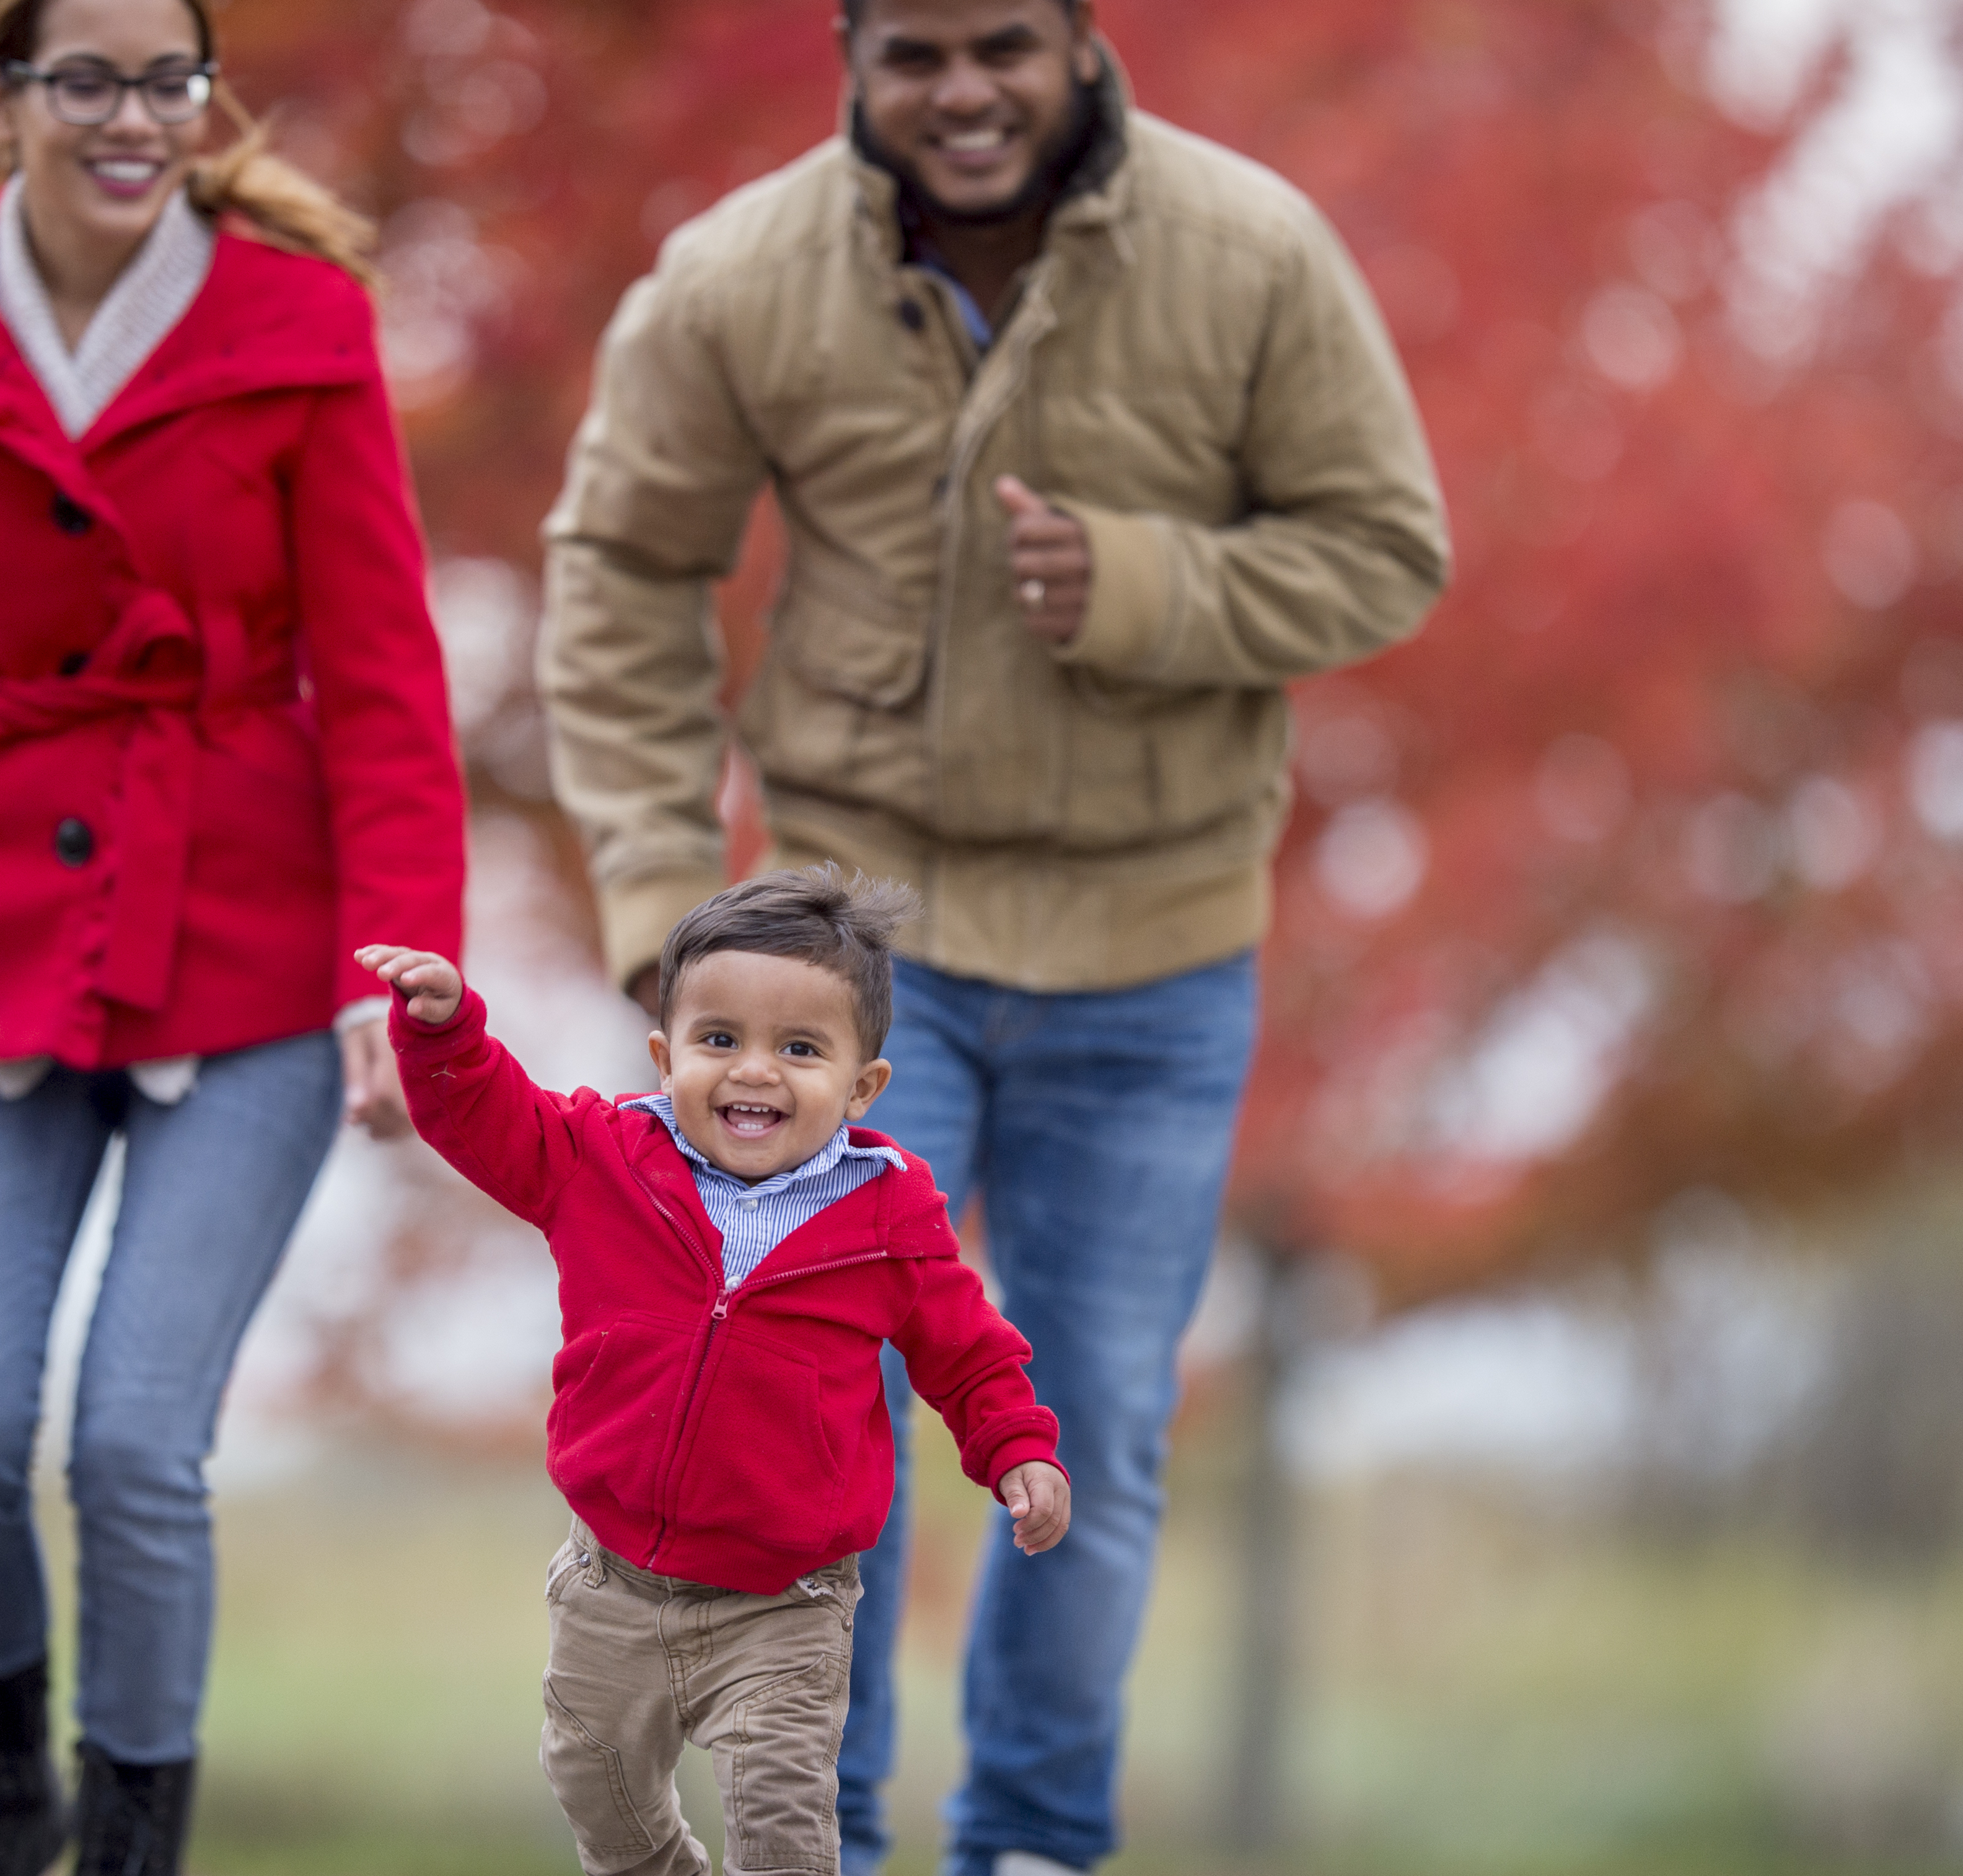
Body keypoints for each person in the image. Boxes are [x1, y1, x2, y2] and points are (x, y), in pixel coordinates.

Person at [538, 1, 1452, 1869]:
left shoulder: (1248, 248)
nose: (962, 94)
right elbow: (621, 565)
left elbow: (1385, 543)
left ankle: (1033, 1836)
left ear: (1079, 39)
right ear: (850, 52)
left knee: (1091, 1420)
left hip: (1154, 948)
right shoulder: (735, 275)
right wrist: (655, 899)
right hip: (869, 946)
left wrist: (1151, 580)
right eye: (916, 53)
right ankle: (833, 1838)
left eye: (1003, 47)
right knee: (821, 1391)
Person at [0, 1, 466, 1870]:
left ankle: (134, 1830)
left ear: (201, 102)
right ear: (8, 96)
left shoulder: (300, 327)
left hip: (255, 944)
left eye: (167, 81)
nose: (132, 119)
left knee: (135, 1441)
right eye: (86, 79)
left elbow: (382, 683)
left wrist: (399, 972)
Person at [359, 867, 1072, 1876]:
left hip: (783, 1604)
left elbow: (967, 1353)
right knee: (592, 1782)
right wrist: (444, 1034)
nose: (754, 1072)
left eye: (800, 1049)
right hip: (613, 1582)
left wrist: (1015, 1449)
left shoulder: (888, 1221)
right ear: (666, 1055)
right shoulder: (601, 1159)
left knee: (782, 1825)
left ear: (862, 1085)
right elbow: (488, 1120)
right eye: (720, 1040)